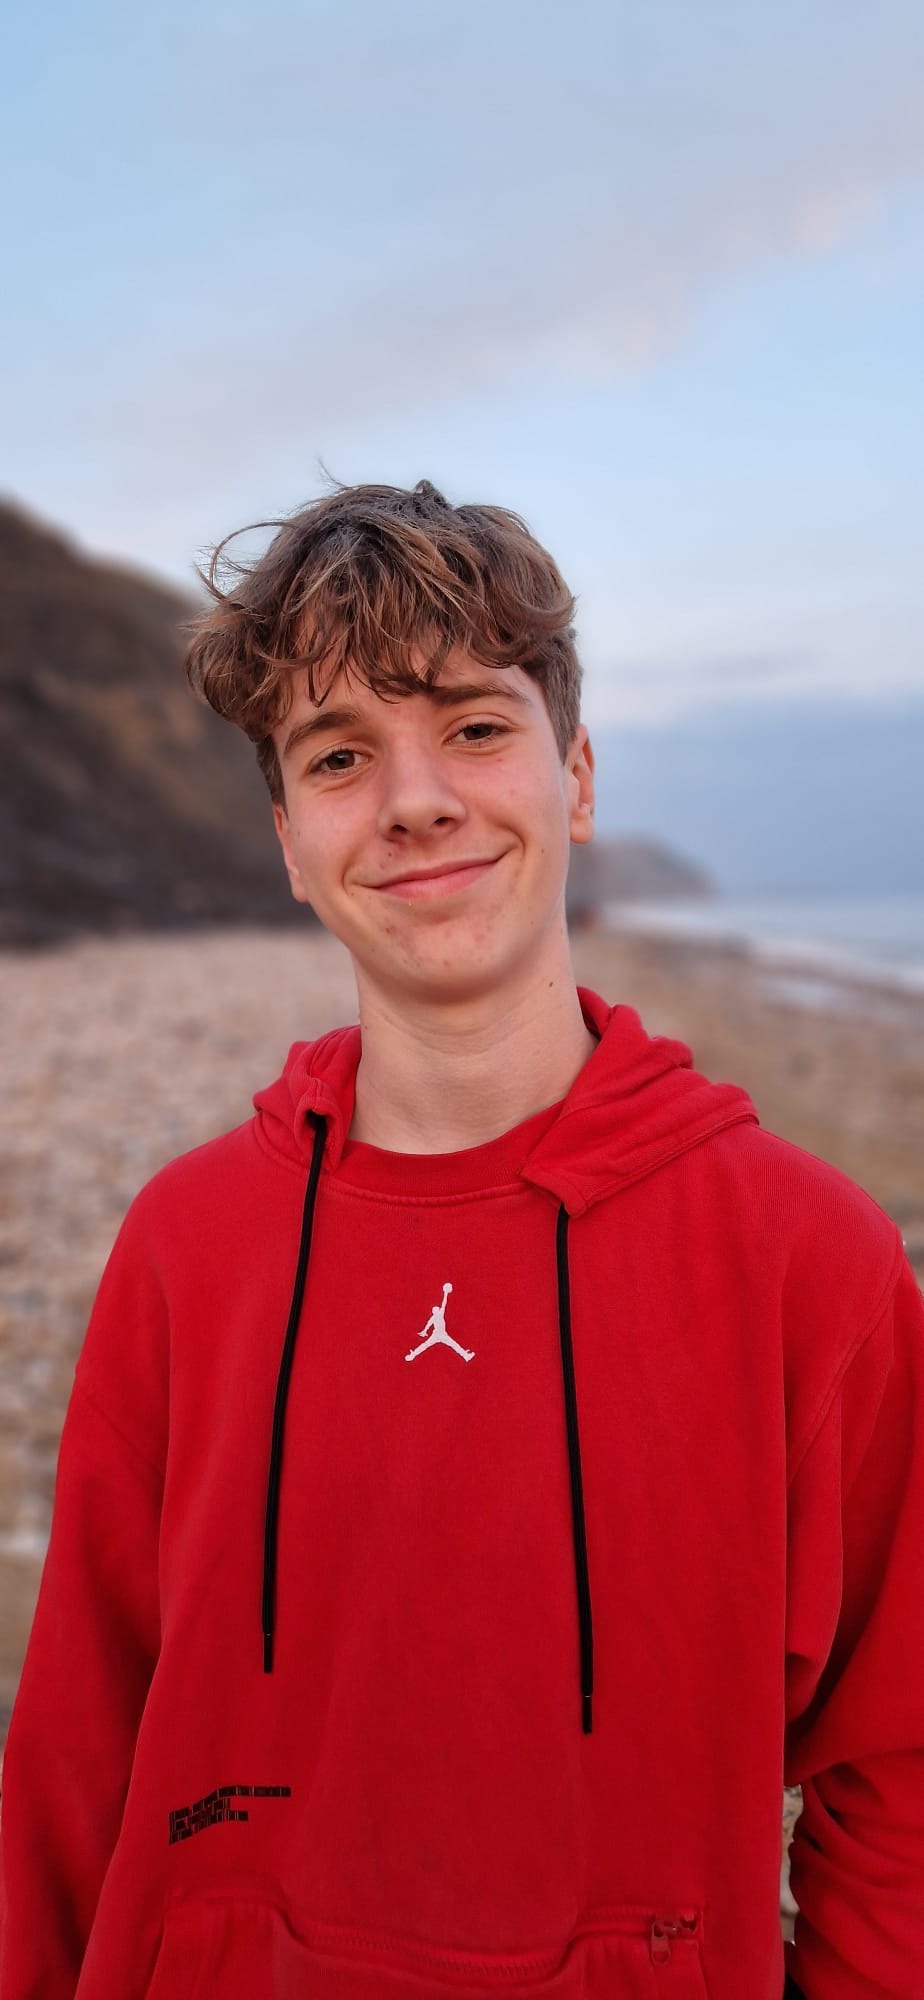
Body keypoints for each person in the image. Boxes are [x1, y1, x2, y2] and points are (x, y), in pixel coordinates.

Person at [1, 479, 921, 1999]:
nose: (416, 800)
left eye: (475, 727)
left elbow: (899, 1775)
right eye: (339, 756)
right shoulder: (186, 1249)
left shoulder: (808, 1263)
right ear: (288, 840)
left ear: (578, 776)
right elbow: (75, 1755)